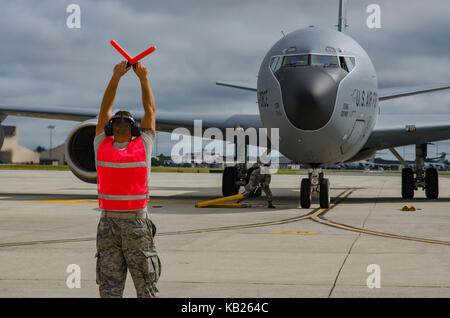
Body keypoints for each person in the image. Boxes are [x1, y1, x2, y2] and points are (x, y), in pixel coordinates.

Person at [93, 61, 160, 298]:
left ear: (110, 129)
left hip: (108, 224)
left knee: (110, 287)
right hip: (136, 224)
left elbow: (103, 111)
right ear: (134, 130)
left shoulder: (102, 146)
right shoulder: (143, 146)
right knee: (146, 287)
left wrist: (115, 78)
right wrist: (144, 78)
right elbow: (150, 110)